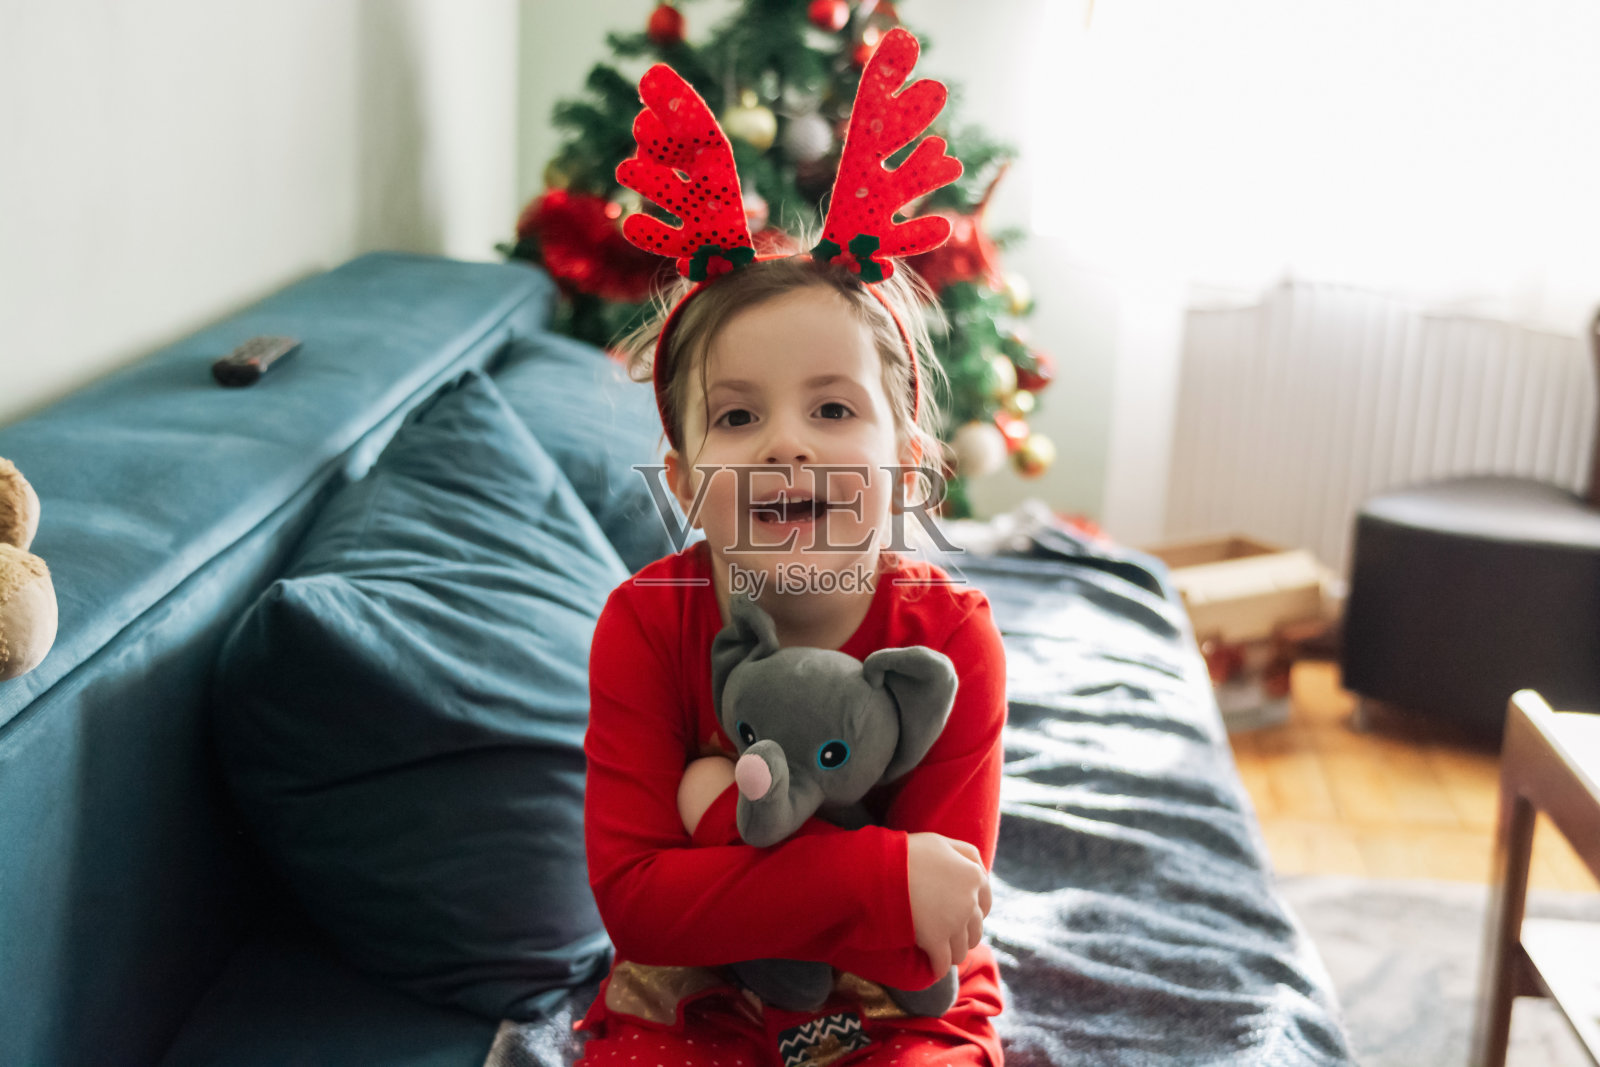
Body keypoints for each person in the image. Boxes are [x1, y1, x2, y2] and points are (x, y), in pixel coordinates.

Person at [576, 249, 1008, 1066]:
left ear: (906, 462)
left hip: (904, 1002)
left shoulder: (950, 641)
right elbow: (638, 909)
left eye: (833, 409)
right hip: (697, 990)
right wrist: (884, 879)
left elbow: (937, 934)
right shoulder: (644, 624)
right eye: (738, 417)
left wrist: (715, 846)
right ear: (683, 482)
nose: (786, 444)